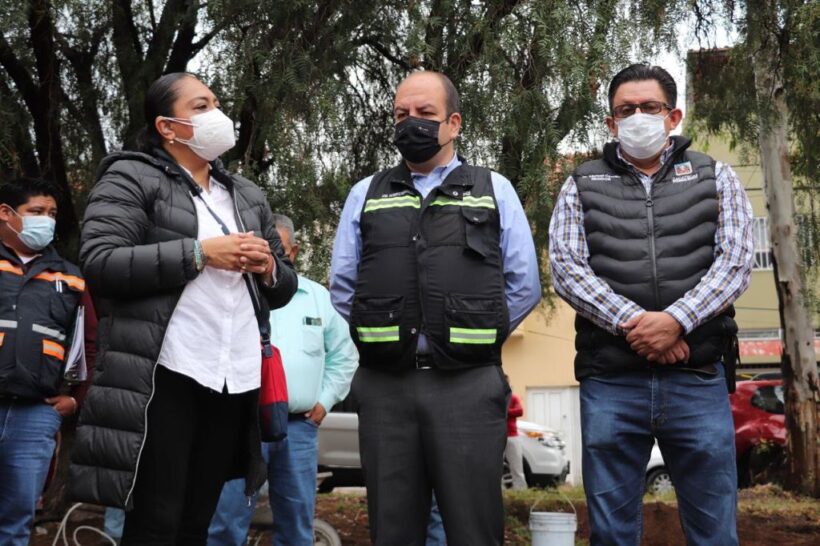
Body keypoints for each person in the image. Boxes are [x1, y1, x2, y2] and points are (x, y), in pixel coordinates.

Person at [68, 72, 298, 545]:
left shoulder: (245, 194)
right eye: (200, 106)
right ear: (167, 127)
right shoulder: (130, 176)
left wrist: (268, 267)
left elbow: (284, 287)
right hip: (165, 371)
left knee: (197, 521)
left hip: (233, 374)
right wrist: (199, 253)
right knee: (157, 520)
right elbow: (101, 262)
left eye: (216, 102)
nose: (217, 114)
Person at [330, 70, 541, 546]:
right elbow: (344, 287)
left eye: (425, 113)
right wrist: (391, 334)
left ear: (454, 123)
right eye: (401, 114)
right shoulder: (366, 194)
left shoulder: (494, 189)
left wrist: (471, 333)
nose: (412, 123)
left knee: (474, 529)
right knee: (393, 530)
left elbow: (524, 285)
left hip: (468, 386)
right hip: (386, 388)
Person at [549, 63, 753, 545]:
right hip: (612, 380)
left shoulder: (714, 176)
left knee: (715, 531)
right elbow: (567, 268)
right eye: (626, 110)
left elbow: (736, 261)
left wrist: (677, 322)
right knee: (611, 532)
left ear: (673, 115)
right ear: (610, 122)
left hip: (696, 376)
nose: (637, 116)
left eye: (649, 106)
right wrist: (639, 326)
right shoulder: (582, 183)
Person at [207, 214, 358, 546]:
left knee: (296, 524)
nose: (269, 256)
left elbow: (344, 355)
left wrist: (325, 401)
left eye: (278, 249)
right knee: (226, 524)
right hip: (241, 426)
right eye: (263, 248)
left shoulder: (317, 297)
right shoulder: (234, 293)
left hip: (298, 428)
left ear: (294, 252)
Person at [0, 178, 84, 545]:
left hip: (35, 415)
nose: (46, 220)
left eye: (51, 213)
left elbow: (90, 343)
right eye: (36, 212)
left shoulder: (71, 277)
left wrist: (76, 398)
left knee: (18, 516)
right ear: (6, 213)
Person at [504, 378, 526, 490]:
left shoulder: (513, 398)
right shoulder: (494, 399)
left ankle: (520, 490)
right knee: (495, 468)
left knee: (517, 467)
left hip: (512, 436)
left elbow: (520, 411)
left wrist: (505, 412)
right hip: (497, 437)